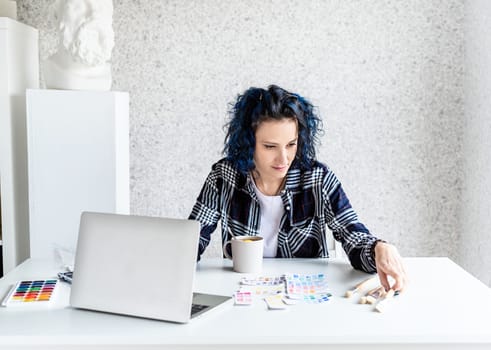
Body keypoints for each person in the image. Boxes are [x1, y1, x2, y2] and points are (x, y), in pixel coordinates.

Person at [189, 85, 407, 292]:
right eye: (269, 146)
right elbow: (192, 241)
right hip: (244, 292)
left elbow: (352, 236)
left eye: (291, 144)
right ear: (248, 142)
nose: (283, 158)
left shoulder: (318, 179)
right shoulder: (224, 176)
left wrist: (379, 248)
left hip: (304, 295)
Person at [44, 0, 115, 91]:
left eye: (102, 5)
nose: (94, 15)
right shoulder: (51, 70)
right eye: (80, 6)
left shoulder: (106, 74)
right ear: (55, 16)